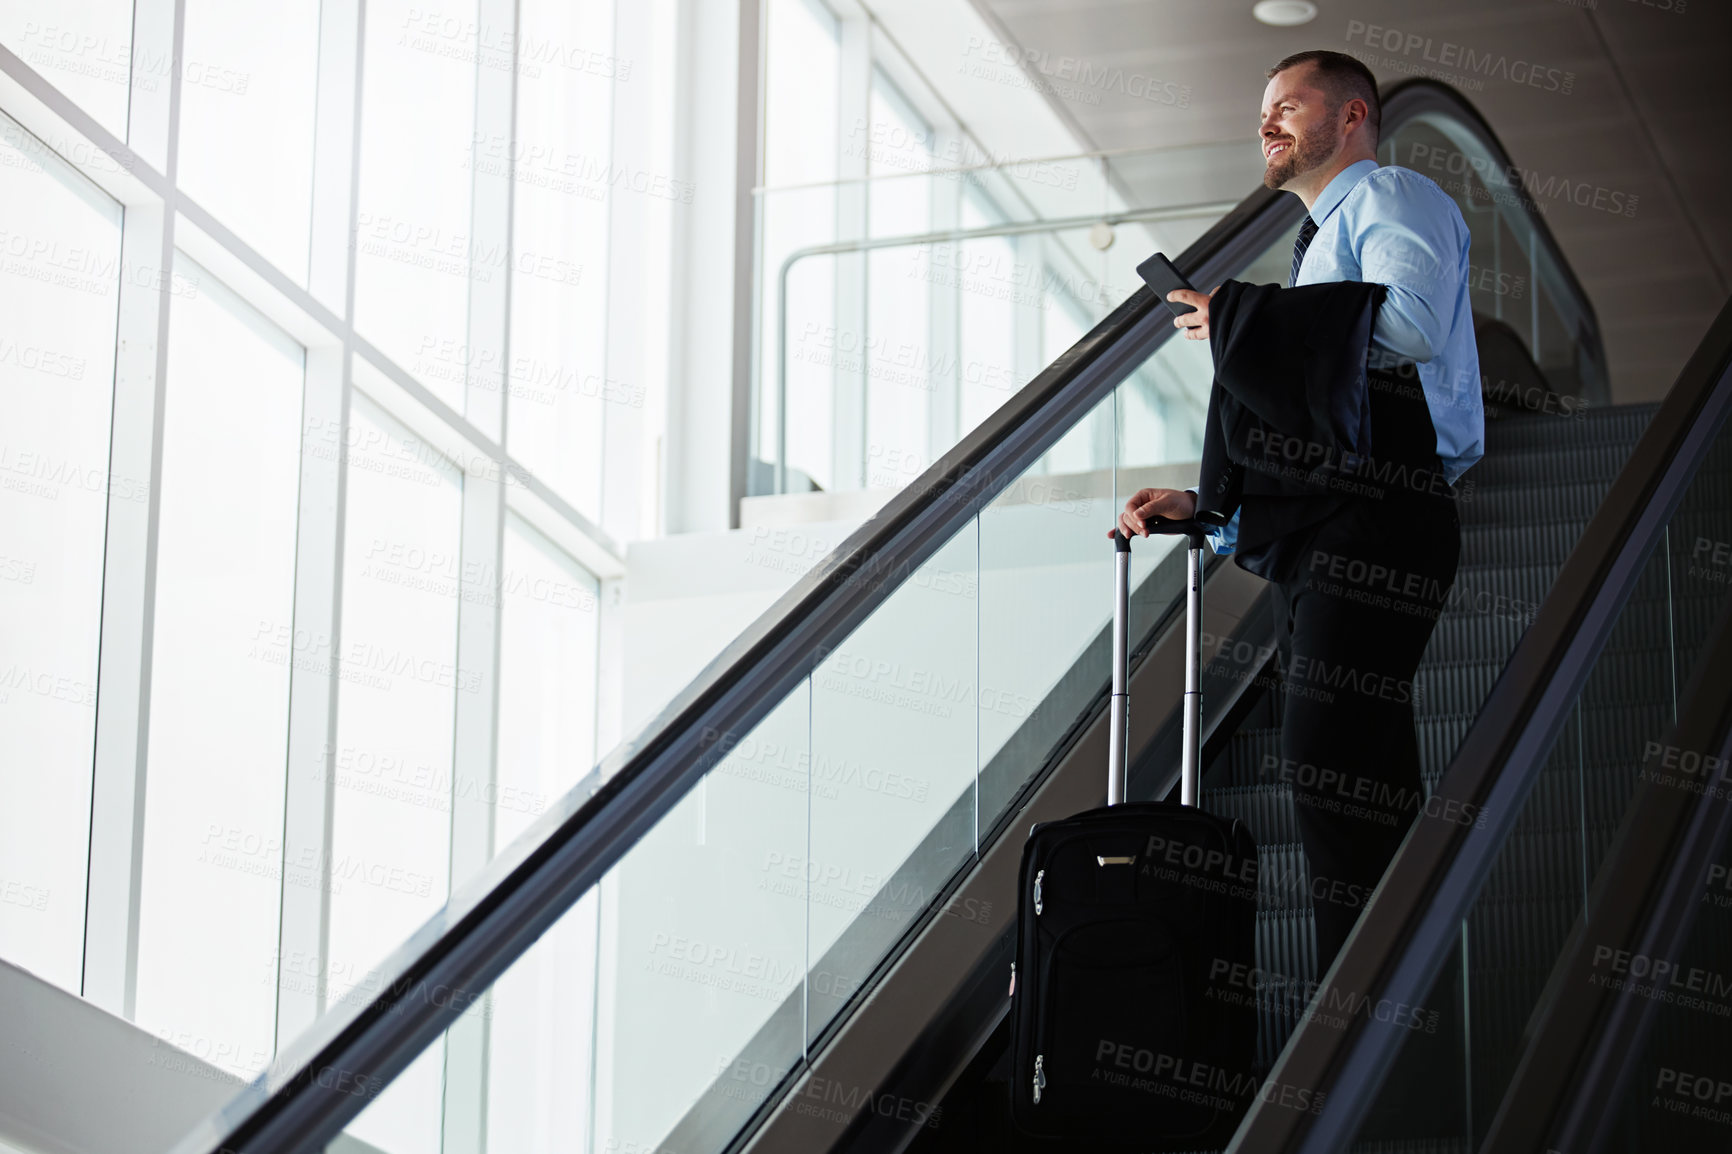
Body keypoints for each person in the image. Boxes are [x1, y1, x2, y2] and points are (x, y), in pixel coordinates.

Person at [1113, 50, 1484, 973]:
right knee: (1354, 770)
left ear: (1352, 114)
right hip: (1335, 519)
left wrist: (1246, 319)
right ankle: (1393, 994)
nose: (1269, 122)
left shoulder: (1388, 193)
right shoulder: (1317, 244)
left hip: (1384, 511)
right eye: (1264, 109)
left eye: (1290, 104)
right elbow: (1321, 414)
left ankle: (1361, 1003)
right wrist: (1205, 506)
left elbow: (1410, 325)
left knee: (1331, 761)